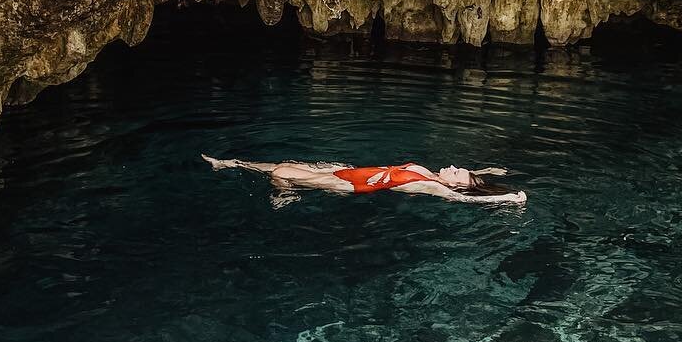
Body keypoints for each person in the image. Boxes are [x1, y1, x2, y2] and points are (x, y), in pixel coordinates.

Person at [203, 156, 526, 204]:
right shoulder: (431, 172)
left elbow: (463, 198)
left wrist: (505, 198)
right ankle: (230, 164)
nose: (453, 167)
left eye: (458, 172)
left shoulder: (433, 185)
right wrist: (485, 174)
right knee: (286, 163)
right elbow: (466, 184)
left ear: (455, 183)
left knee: (281, 174)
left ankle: (285, 195)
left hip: (350, 184)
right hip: (349, 170)